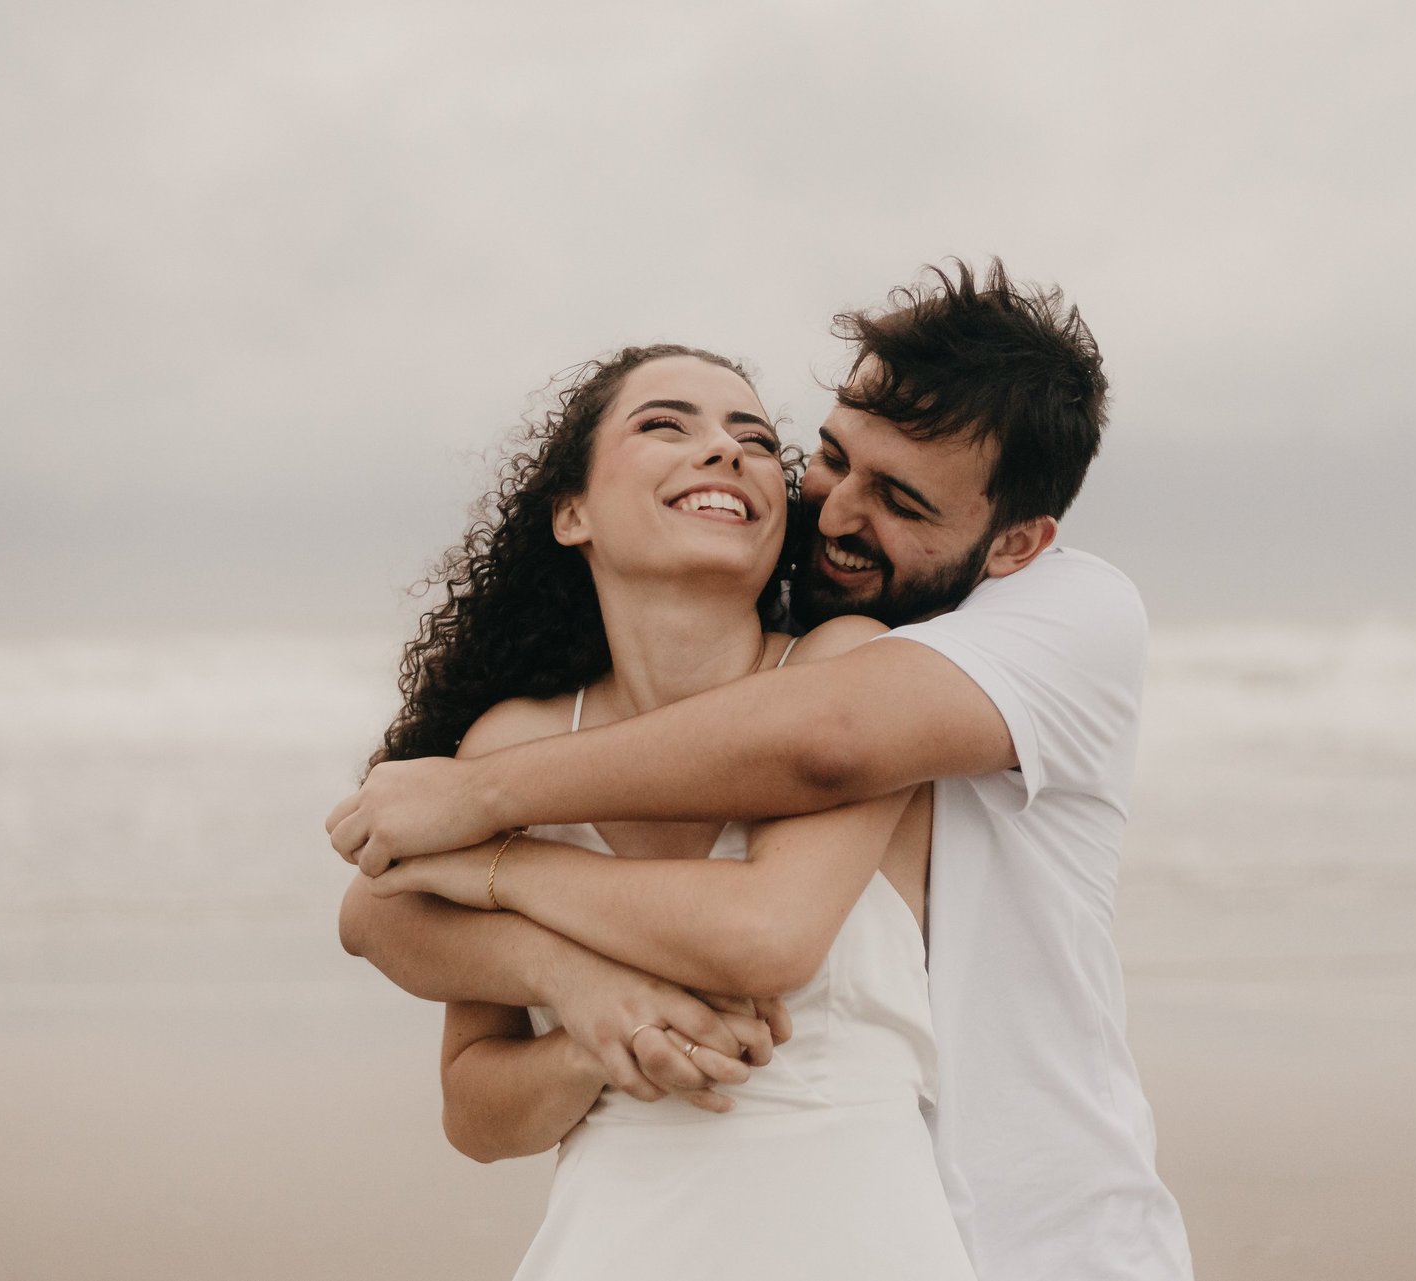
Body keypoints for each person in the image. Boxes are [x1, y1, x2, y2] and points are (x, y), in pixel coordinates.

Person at [333, 261, 1194, 1280]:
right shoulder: (532, 729)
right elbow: (384, 920)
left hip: (1046, 1238)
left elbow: (808, 788)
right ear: (571, 511)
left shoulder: (1053, 622)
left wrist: (486, 840)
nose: (829, 513)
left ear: (1014, 542)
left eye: (899, 501)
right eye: (825, 458)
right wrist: (576, 995)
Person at [344, 342, 976, 1280]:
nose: (727, 451)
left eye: (756, 439)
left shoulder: (848, 668)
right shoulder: (511, 739)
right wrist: (591, 1019)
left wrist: (501, 870)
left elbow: (767, 935)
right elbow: (474, 1115)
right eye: (665, 425)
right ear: (572, 511)